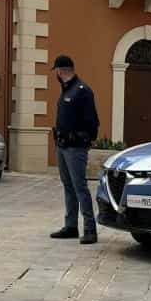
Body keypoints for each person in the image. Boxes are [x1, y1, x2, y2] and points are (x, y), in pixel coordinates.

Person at [50, 55, 100, 244]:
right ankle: (71, 226)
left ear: (61, 71)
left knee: (80, 186)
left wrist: (84, 139)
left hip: (75, 148)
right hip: (62, 146)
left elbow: (92, 122)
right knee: (68, 186)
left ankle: (90, 229)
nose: (56, 73)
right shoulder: (66, 90)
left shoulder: (82, 91)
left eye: (56, 70)